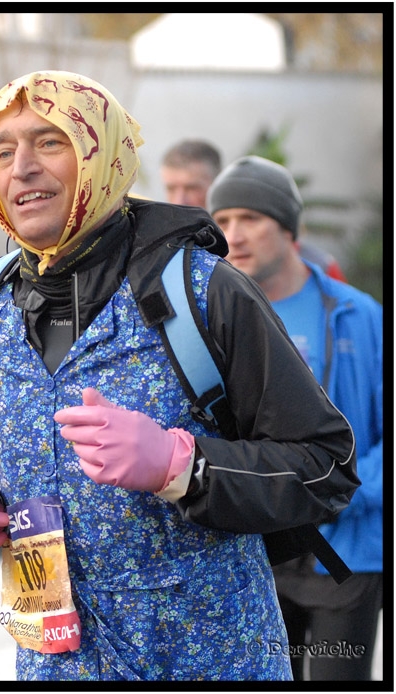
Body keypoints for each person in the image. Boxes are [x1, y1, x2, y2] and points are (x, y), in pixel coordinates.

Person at [0, 70, 358, 681]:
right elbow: (0, 454)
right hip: (54, 665)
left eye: (49, 142)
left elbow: (325, 465)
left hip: (212, 662)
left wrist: (180, 466)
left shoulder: (204, 292)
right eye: (3, 151)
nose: (20, 167)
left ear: (100, 153)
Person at [207, 156, 383, 681]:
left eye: (250, 218)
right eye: (222, 221)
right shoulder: (212, 319)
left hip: (346, 555)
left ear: (289, 227)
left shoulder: (360, 316)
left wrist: (341, 494)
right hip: (257, 553)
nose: (233, 235)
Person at [160, 137, 347, 281]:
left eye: (192, 188)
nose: (179, 200)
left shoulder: (314, 265)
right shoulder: (162, 258)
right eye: (171, 188)